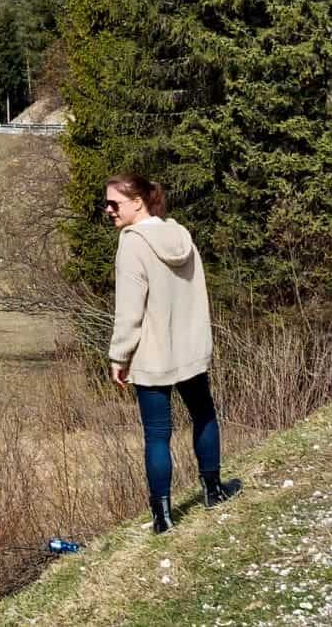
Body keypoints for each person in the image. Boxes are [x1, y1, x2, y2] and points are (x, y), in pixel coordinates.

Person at [105, 172, 242, 534]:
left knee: (157, 435)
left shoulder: (132, 243)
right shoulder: (180, 236)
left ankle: (163, 518)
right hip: (190, 348)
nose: (108, 210)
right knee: (203, 414)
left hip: (153, 355)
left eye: (114, 203)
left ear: (138, 201)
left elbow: (129, 311)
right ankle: (213, 490)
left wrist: (119, 357)